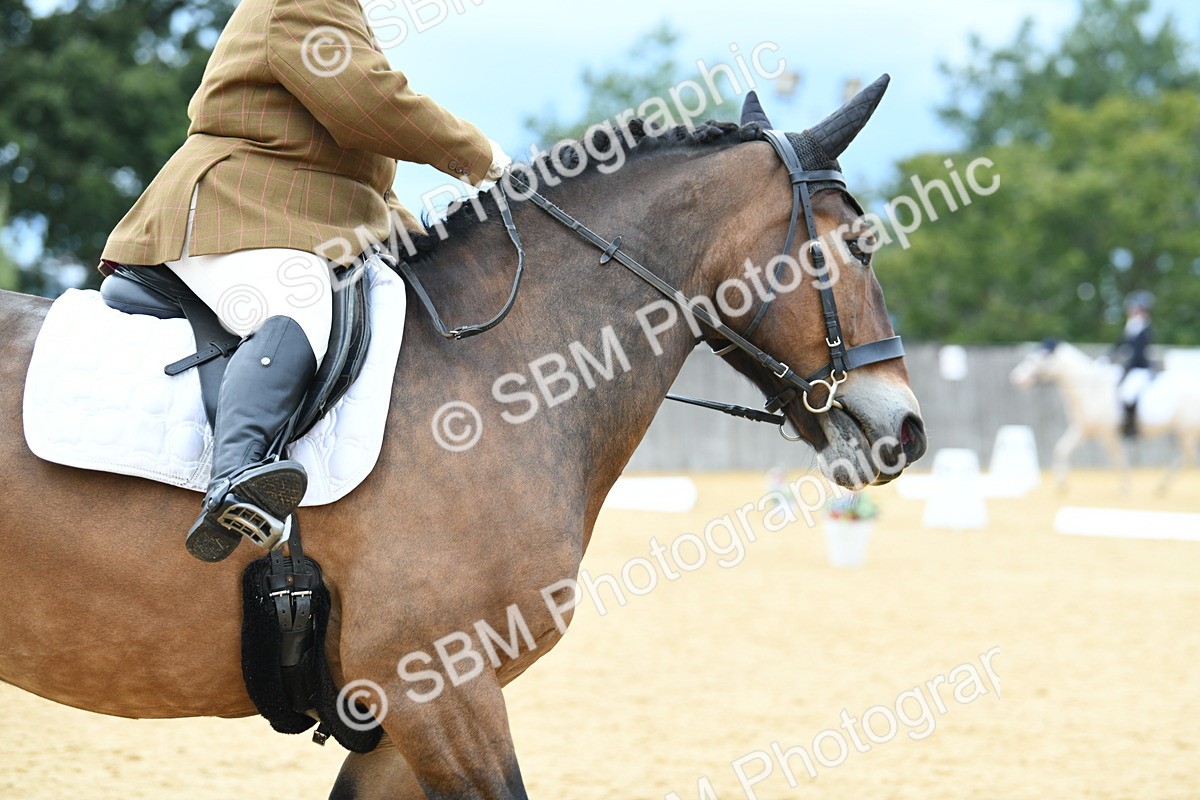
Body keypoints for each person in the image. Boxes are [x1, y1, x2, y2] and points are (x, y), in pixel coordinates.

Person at [98, 0, 510, 562]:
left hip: (293, 216)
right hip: (235, 207)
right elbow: (369, 102)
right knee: (300, 304)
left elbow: (362, 181)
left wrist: (429, 251)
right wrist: (482, 158)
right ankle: (235, 476)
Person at [1111, 291, 1154, 439]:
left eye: (1134, 307)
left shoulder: (1144, 329)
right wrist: (1108, 356)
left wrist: (1126, 368)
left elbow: (1138, 355)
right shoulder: (1131, 326)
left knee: (1128, 394)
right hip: (1129, 368)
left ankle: (1131, 427)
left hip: (1139, 369)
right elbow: (1119, 343)